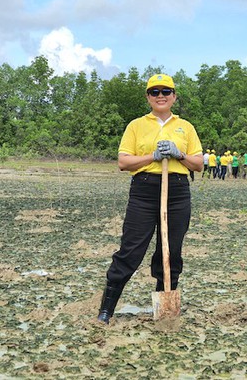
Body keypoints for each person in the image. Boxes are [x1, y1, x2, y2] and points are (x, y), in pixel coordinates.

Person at [97, 74, 203, 325]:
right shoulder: (136, 125)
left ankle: (164, 312)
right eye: (154, 92)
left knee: (170, 251)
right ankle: (106, 310)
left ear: (174, 96)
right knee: (131, 250)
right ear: (148, 97)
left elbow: (198, 164)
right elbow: (124, 162)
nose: (160, 96)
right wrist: (152, 157)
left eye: (166, 91)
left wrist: (179, 154)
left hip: (176, 191)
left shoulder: (185, 127)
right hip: (144, 191)